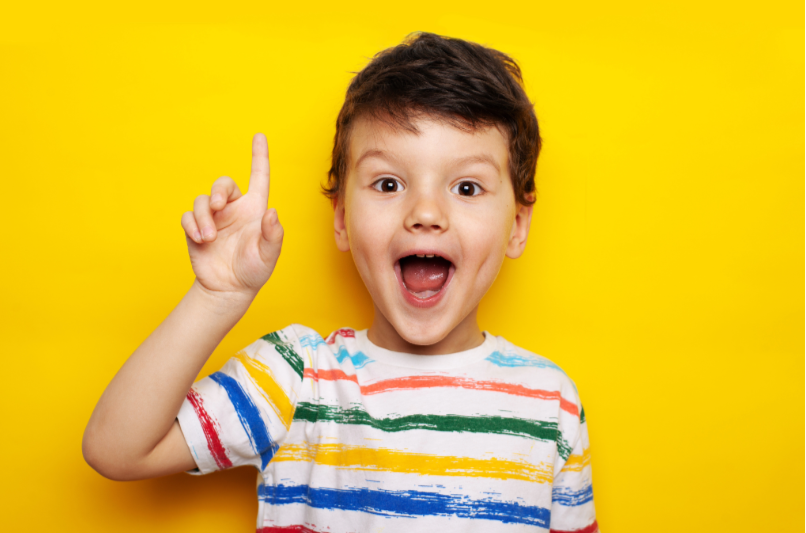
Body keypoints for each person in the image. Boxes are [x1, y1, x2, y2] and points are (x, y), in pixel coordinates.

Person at [83, 32, 599, 533]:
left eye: (466, 186)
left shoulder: (552, 402)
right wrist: (218, 295)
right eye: (388, 183)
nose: (425, 213)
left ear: (519, 225)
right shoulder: (295, 380)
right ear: (341, 218)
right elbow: (116, 450)